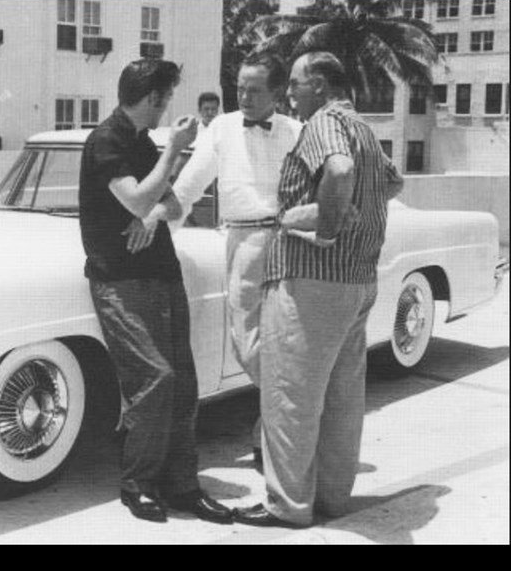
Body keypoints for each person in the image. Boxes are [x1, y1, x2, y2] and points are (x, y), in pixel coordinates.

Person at [233, 51, 405, 527]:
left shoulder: (326, 122)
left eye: (294, 84)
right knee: (342, 400)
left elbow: (340, 171)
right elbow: (393, 182)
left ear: (322, 85)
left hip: (312, 280)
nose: (289, 93)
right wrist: (342, 213)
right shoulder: (364, 127)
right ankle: (331, 498)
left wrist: (321, 225)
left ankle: (287, 506)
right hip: (358, 281)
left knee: (291, 398)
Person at [78, 59, 233, 524]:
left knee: (183, 381)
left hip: (162, 273)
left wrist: (152, 213)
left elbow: (166, 200)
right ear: (153, 98)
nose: (169, 108)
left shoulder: (143, 143)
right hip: (121, 279)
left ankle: (183, 483)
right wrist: (174, 155)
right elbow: (140, 195)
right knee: (155, 379)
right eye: (166, 97)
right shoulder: (106, 140)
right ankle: (139, 483)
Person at [130, 53, 303, 470]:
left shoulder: (299, 132)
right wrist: (154, 225)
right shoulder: (222, 129)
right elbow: (186, 191)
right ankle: (294, 419)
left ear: (278, 93)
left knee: (289, 344)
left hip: (294, 242)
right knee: (247, 345)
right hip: (244, 242)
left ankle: (274, 438)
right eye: (239, 88)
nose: (243, 96)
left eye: (254, 89)